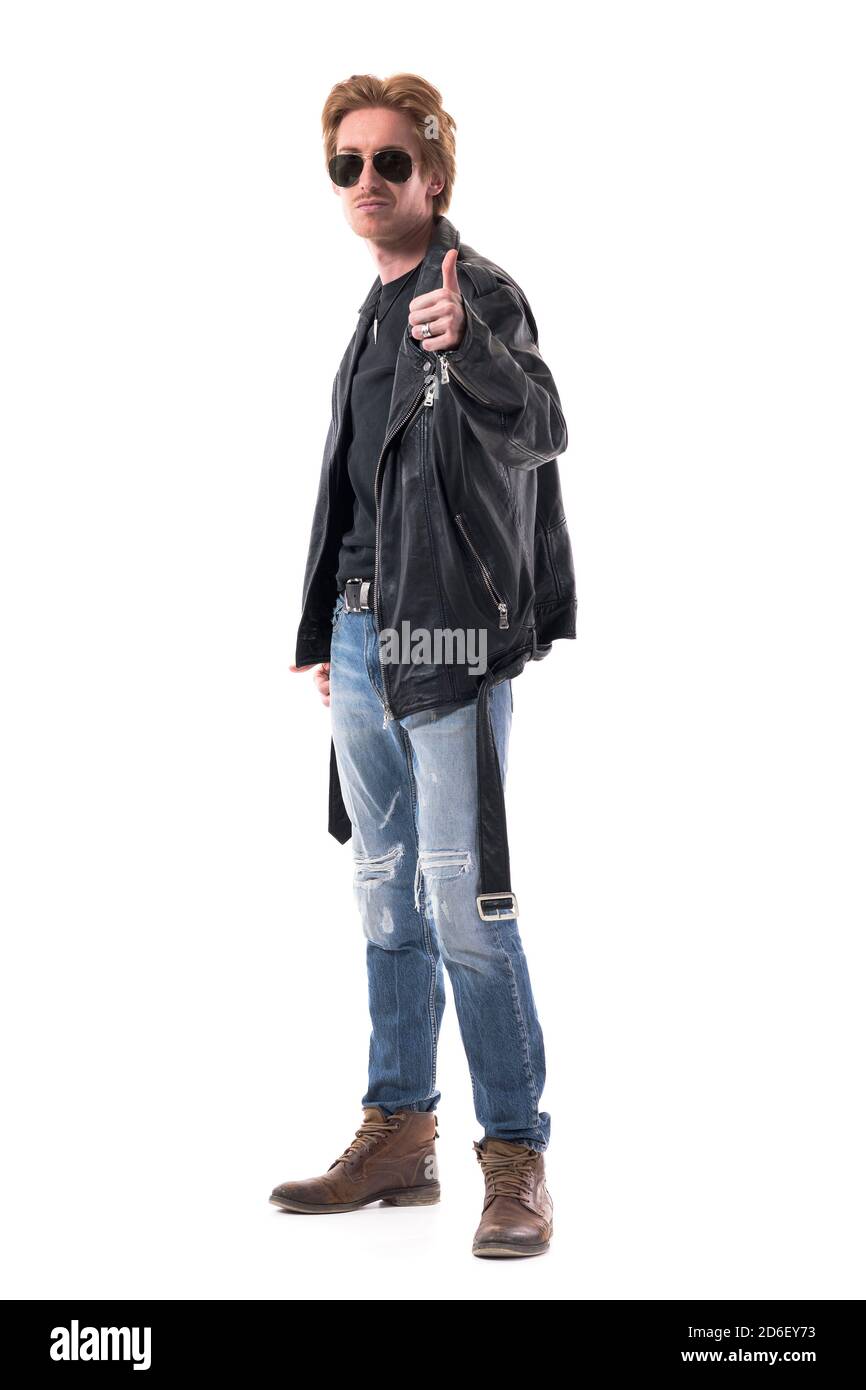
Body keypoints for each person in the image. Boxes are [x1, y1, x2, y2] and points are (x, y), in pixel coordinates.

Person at [270, 73, 577, 1258]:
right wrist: (327, 634)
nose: (364, 181)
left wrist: (475, 350)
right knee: (383, 891)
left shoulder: (472, 292)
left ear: (432, 176)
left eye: (388, 161)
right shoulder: (370, 312)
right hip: (364, 638)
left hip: (444, 640)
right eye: (345, 164)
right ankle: (399, 1131)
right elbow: (353, 490)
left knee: (465, 903)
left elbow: (541, 427)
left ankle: (515, 1158)